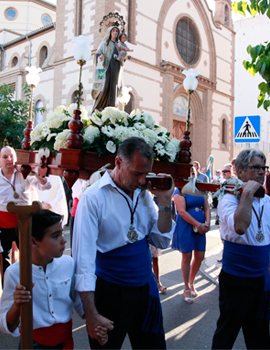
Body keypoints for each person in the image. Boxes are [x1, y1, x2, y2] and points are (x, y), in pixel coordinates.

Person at [72, 137, 175, 349]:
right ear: (118, 163)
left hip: (145, 290)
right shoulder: (93, 198)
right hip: (110, 293)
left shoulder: (143, 193)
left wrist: (165, 201)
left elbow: (161, 239)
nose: (143, 180)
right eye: (137, 173)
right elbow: (83, 261)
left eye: (146, 173)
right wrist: (91, 314)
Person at [0, 210, 87, 349]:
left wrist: (94, 318)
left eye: (62, 233)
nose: (64, 240)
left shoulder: (68, 263)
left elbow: (78, 301)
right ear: (34, 241)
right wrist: (17, 305)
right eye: (55, 236)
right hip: (33, 344)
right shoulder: (15, 273)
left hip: (65, 342)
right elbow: (6, 324)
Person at [212, 149, 270, 350]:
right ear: (241, 172)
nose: (261, 172)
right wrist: (246, 193)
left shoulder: (268, 201)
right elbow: (240, 226)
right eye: (255, 168)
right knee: (226, 334)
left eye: (264, 168)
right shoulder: (228, 199)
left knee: (260, 336)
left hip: (262, 280)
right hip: (236, 281)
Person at [0, 146, 51, 276]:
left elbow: (46, 186)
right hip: (3, 225)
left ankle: (31, 286)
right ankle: (9, 289)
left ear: (16, 158)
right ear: (0, 160)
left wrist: (36, 174)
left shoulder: (26, 173)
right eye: (5, 157)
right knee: (4, 260)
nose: (9, 159)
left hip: (24, 223)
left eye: (12, 156)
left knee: (29, 258)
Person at [172, 167, 210, 303]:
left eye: (193, 173)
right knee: (187, 256)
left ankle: (192, 281)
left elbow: (206, 207)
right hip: (186, 226)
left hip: (200, 226)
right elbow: (181, 211)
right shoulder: (179, 190)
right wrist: (198, 224)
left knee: (200, 256)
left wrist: (207, 223)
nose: (191, 176)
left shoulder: (200, 189)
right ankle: (186, 287)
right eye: (188, 173)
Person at [92, 26, 121, 113]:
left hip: (115, 69)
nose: (115, 32)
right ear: (110, 32)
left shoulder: (118, 46)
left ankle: (111, 109)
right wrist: (100, 57)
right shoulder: (105, 43)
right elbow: (98, 53)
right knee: (104, 87)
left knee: (113, 88)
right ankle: (98, 108)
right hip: (106, 68)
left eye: (117, 31)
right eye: (113, 31)